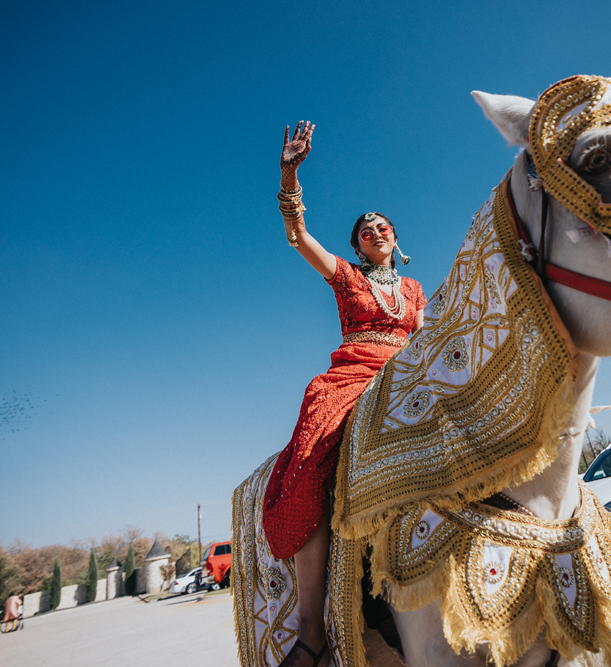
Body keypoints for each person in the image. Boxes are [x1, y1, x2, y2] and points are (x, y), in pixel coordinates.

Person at [262, 121, 426, 667]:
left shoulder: (412, 289)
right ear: (356, 245)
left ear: (395, 238)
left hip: (409, 374)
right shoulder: (345, 277)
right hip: (354, 375)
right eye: (364, 230)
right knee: (312, 462)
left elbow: (426, 337)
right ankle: (312, 633)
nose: (375, 231)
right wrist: (290, 173)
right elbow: (297, 237)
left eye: (383, 226)